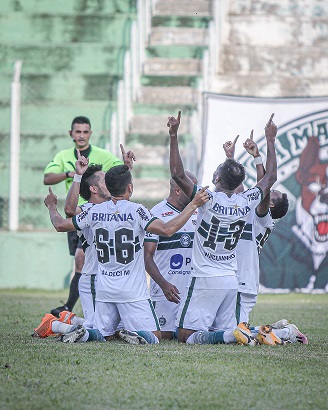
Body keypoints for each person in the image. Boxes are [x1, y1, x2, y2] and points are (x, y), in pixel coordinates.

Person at [44, 164, 209, 344]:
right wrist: (193, 205)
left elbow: (60, 224)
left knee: (103, 334)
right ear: (130, 187)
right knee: (154, 337)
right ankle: (125, 333)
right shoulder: (137, 210)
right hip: (132, 291)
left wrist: (52, 206)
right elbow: (168, 229)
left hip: (104, 288)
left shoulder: (93, 211)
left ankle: (84, 334)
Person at [168, 111, 281, 346]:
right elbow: (269, 178)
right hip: (230, 279)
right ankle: (239, 334)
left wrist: (173, 135)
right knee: (223, 329)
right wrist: (270, 140)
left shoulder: (206, 198)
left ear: (217, 180)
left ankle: (235, 334)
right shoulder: (245, 201)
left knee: (186, 336)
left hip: (204, 277)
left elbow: (178, 174)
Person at [43, 116, 124, 317]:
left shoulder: (102, 155)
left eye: (85, 132)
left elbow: (119, 170)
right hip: (78, 213)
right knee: (84, 260)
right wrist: (71, 174)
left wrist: (127, 164)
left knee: (83, 258)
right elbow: (48, 178)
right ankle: (89, 309)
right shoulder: (63, 156)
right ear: (71, 133)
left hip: (98, 214)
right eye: (77, 131)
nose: (81, 135)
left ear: (90, 133)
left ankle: (72, 307)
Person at [144, 172, 198, 340]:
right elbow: (147, 257)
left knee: (191, 335)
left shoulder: (199, 212)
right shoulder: (156, 213)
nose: (195, 192)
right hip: (166, 291)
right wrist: (164, 284)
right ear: (177, 191)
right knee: (163, 336)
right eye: (191, 189)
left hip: (193, 291)